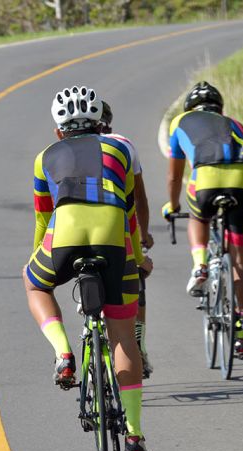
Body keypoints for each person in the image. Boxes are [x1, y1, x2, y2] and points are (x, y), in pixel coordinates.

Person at [24, 85, 149, 451]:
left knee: (34, 284)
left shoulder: (43, 157)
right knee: (124, 337)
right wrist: (139, 257)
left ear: (58, 131)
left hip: (64, 237)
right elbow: (129, 213)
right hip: (113, 239)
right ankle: (134, 435)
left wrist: (37, 256)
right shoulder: (121, 148)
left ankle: (63, 353)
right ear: (100, 125)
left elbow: (44, 218)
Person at [163, 81, 243, 358]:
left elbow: (173, 175)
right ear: (220, 108)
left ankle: (201, 266)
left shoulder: (179, 122)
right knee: (241, 261)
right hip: (242, 183)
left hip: (205, 180)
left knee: (198, 217)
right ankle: (241, 333)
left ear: (189, 108)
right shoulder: (237, 125)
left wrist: (173, 204)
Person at [97, 101, 154, 379]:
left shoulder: (67, 147)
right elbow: (137, 199)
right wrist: (143, 236)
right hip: (119, 230)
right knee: (136, 279)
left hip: (73, 237)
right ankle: (138, 345)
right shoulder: (123, 145)